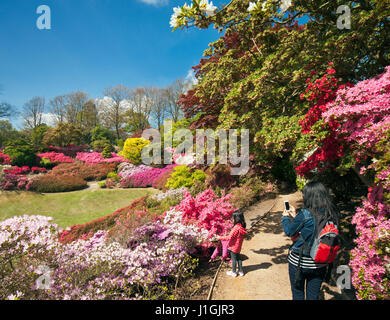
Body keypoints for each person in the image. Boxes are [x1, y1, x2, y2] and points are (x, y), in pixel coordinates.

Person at [282, 181, 339, 300]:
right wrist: (296, 215)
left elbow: (289, 232)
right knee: (313, 297)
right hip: (320, 263)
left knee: (298, 294)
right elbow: (316, 228)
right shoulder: (332, 213)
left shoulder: (305, 214)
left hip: (299, 262)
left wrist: (286, 217)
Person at [218, 210, 247, 277]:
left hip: (233, 247)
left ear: (236, 218)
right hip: (238, 246)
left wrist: (219, 237)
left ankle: (233, 272)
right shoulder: (242, 226)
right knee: (239, 258)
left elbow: (229, 237)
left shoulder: (236, 228)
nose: (232, 219)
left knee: (234, 260)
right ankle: (241, 271)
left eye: (233, 217)